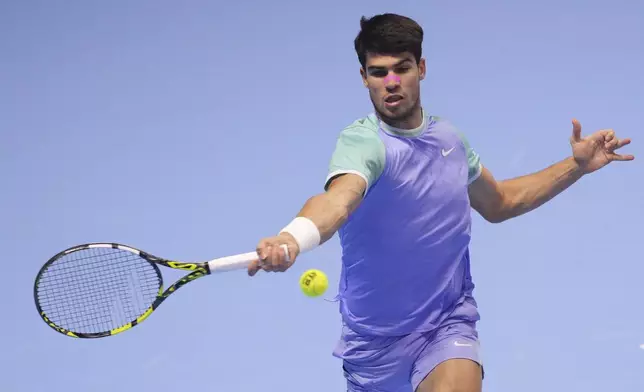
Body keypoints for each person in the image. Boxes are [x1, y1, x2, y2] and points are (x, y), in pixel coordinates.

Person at [246, 13, 634, 392]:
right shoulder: (364, 144)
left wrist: (577, 166)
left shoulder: (450, 141)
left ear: (422, 68)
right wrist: (294, 236)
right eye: (379, 72)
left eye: (403, 68)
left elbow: (500, 202)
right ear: (364, 78)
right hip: (373, 348)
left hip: (447, 325)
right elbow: (338, 201)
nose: (392, 82)